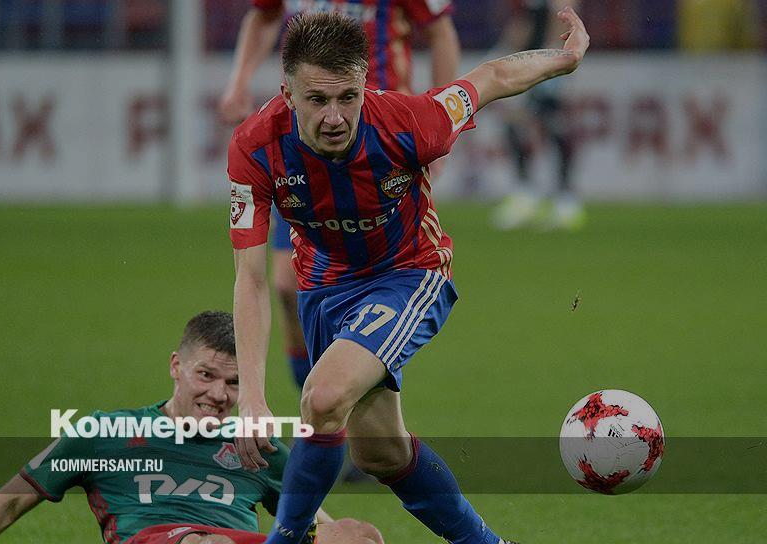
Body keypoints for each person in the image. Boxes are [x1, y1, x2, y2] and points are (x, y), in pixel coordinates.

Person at [229, 9, 588, 544]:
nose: (335, 117)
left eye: (348, 97)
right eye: (317, 100)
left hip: (408, 272)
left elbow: (491, 77)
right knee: (381, 451)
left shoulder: (409, 122)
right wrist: (252, 398)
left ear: (364, 87)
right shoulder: (254, 147)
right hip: (324, 285)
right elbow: (252, 279)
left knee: (323, 398)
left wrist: (565, 59)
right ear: (287, 93)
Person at [0, 311, 383, 544]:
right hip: (162, 540)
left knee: (360, 537)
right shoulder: (103, 433)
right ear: (176, 366)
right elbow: (7, 504)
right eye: (206, 375)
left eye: (234, 383)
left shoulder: (257, 447)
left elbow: (317, 526)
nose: (218, 394)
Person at [219, 0, 461, 391]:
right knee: (287, 285)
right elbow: (263, 16)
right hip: (310, 145)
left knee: (380, 273)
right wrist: (239, 79)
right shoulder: (268, 140)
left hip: (379, 143)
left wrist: (435, 135)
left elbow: (440, 32)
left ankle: (334, 395)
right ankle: (320, 403)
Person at [491, 0, 585, 231]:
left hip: (553, 61)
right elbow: (526, 21)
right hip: (533, 62)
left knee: (554, 126)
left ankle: (565, 200)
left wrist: (555, 57)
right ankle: (528, 195)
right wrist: (504, 51)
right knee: (517, 126)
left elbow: (562, 15)